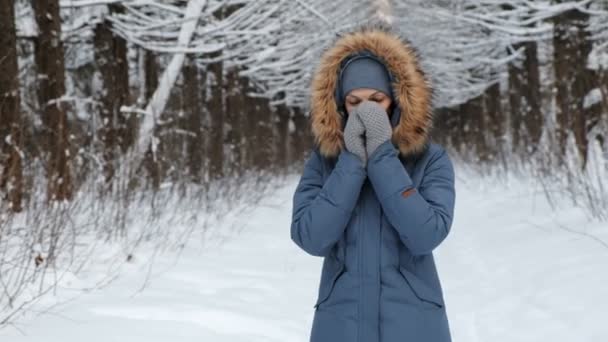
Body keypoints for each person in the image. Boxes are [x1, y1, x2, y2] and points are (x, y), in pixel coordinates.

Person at [290, 22, 456, 342]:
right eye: (355, 102)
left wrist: (381, 156)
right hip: (341, 325)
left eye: (376, 99)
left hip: (414, 326)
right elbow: (310, 237)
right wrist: (351, 161)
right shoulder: (324, 164)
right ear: (340, 105)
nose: (366, 111)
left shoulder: (430, 160)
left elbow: (426, 235)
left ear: (396, 101)